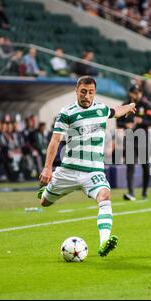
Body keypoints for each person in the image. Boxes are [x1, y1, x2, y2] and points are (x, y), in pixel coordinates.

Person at [36, 76, 136, 257]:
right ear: (76, 91)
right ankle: (46, 191)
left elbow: (116, 111)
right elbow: (55, 141)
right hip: (68, 170)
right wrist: (47, 168)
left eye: (90, 92)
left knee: (105, 196)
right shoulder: (66, 113)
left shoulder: (101, 109)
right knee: (44, 203)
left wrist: (128, 107)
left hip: (93, 172)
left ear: (94, 93)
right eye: (83, 92)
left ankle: (104, 241)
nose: (87, 96)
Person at [117, 84, 151, 201]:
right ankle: (131, 193)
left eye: (139, 92)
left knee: (145, 166)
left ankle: (144, 192)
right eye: (135, 92)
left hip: (142, 139)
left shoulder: (146, 105)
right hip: (129, 139)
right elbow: (118, 122)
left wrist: (142, 120)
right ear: (130, 93)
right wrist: (126, 125)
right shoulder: (124, 105)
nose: (138, 94)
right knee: (130, 166)